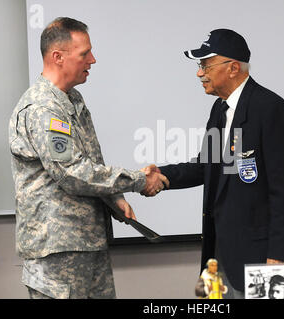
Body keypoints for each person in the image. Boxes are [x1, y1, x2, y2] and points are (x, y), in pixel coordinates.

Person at [9, 17, 168, 299]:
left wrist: (114, 198)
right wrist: (139, 180)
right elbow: (72, 172)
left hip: (88, 242)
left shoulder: (74, 99)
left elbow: (90, 162)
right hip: (56, 251)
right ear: (58, 57)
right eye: (85, 54)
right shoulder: (42, 108)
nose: (92, 60)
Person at [143, 29, 284, 298]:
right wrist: (162, 175)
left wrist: (279, 256)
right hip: (219, 260)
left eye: (206, 65)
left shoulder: (271, 109)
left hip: (267, 262)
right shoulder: (220, 110)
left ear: (233, 68)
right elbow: (206, 166)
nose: (200, 73)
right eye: (200, 66)